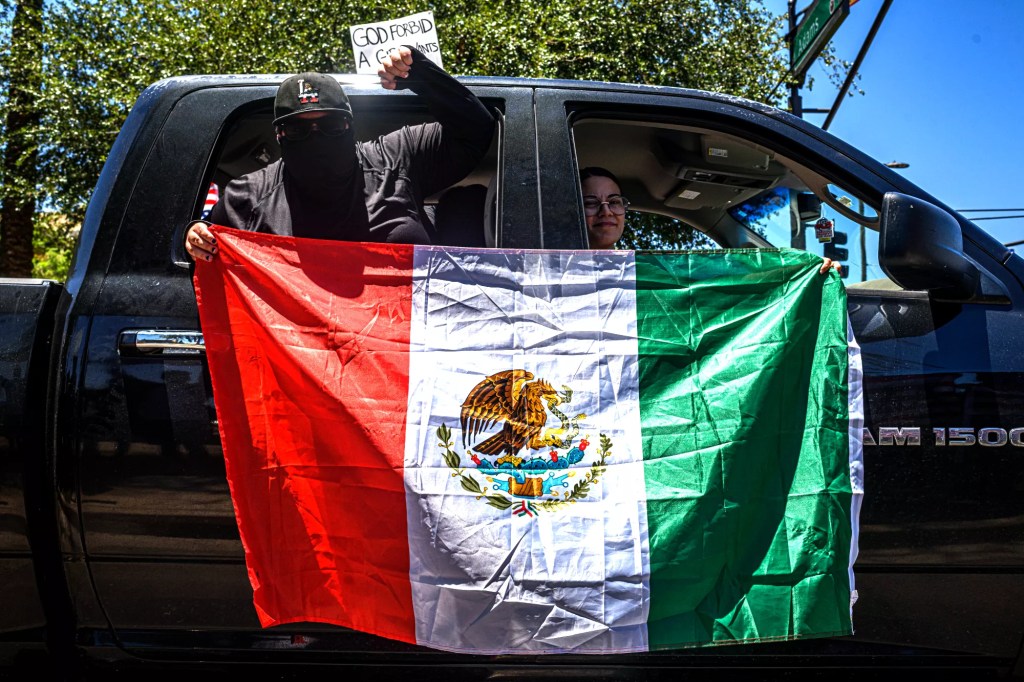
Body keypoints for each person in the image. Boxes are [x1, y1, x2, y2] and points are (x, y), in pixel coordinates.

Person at [185, 46, 494, 262]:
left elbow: (476, 131)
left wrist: (421, 75)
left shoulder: (395, 158)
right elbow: (202, 249)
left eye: (331, 124)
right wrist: (194, 237)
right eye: (297, 130)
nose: (315, 136)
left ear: (349, 124)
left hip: (403, 346)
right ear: (280, 135)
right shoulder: (248, 197)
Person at [578, 165, 841, 274]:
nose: (607, 211)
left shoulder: (646, 271)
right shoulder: (549, 273)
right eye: (591, 203)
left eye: (614, 201)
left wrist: (805, 276)